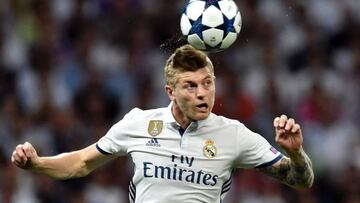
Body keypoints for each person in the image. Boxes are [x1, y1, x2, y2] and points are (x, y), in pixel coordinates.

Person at [11, 44, 314, 203]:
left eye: (207, 83)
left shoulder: (233, 134)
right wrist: (36, 164)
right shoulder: (138, 123)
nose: (202, 94)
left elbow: (301, 181)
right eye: (190, 86)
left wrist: (297, 154)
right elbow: (79, 163)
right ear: (170, 91)